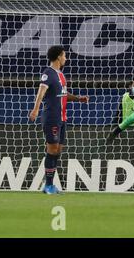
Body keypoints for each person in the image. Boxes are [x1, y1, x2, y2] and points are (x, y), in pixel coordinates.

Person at [29, 45, 89, 194]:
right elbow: (41, 92)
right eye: (64, 55)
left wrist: (77, 98)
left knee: (58, 150)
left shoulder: (61, 75)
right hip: (51, 117)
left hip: (62, 118)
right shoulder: (48, 73)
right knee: (52, 149)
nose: (66, 58)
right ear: (58, 57)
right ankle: (48, 186)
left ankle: (50, 185)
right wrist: (36, 109)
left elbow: (63, 94)